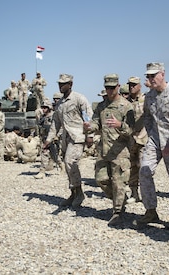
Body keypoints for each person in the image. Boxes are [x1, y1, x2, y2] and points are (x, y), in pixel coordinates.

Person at [137, 62, 169, 230]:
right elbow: (148, 118)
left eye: (153, 75)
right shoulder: (149, 96)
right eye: (148, 76)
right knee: (144, 171)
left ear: (162, 74)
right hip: (155, 141)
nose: (150, 79)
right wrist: (151, 136)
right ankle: (151, 210)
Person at [84, 74, 135, 225]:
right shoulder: (101, 106)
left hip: (120, 151)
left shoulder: (126, 106)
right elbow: (96, 123)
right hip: (104, 150)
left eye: (113, 88)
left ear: (118, 87)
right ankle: (120, 199)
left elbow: (132, 130)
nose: (110, 91)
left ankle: (117, 211)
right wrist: (89, 127)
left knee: (119, 183)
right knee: (101, 179)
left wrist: (120, 125)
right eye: (107, 88)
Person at [44, 74, 93, 208]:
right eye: (59, 84)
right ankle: (74, 193)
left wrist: (90, 135)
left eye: (63, 84)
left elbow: (87, 117)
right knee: (67, 166)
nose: (60, 86)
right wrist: (48, 140)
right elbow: (56, 123)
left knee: (70, 161)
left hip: (78, 136)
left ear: (70, 84)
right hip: (65, 139)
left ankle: (79, 193)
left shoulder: (79, 99)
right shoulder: (59, 104)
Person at [126, 76, 148, 204]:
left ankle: (146, 195)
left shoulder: (146, 99)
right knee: (132, 166)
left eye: (134, 85)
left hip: (143, 138)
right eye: (130, 85)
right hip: (130, 139)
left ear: (140, 86)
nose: (131, 87)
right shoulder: (126, 102)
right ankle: (134, 193)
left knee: (143, 167)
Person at [35, 100, 63, 179]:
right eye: (42, 108)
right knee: (49, 154)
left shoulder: (53, 116)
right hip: (45, 139)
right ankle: (43, 171)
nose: (43, 109)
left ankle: (43, 171)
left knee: (50, 154)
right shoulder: (43, 117)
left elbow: (60, 127)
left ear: (49, 108)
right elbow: (39, 127)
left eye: (45, 108)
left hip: (52, 139)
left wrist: (56, 136)